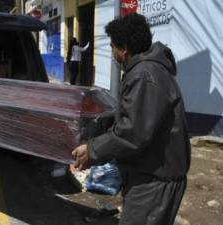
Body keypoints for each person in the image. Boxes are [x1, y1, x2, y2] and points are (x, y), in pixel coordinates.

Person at [72, 13, 191, 225]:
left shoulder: (145, 74)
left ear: (123, 48)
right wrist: (102, 123)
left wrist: (92, 150)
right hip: (151, 175)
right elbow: (135, 116)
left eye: (112, 46)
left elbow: (132, 133)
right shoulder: (147, 70)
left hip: (155, 182)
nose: (112, 52)